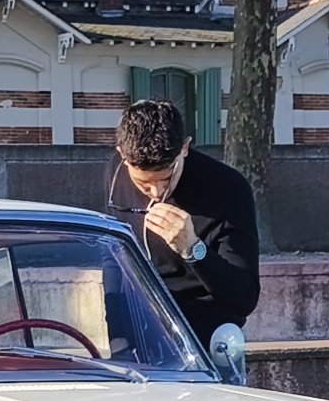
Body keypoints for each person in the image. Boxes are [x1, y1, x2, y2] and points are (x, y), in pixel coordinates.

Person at [112, 99, 261, 357]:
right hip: (140, 339)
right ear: (122, 157)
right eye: (144, 184)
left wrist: (194, 249)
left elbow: (244, 297)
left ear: (184, 149)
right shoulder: (115, 176)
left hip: (208, 344)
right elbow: (113, 266)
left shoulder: (228, 188)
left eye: (167, 177)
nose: (157, 192)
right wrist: (119, 342)